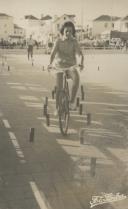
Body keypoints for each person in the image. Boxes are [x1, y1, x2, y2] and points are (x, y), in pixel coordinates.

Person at [48, 21, 84, 111]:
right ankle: (58, 107)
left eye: (70, 31)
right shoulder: (58, 41)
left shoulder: (74, 41)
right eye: (66, 31)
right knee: (59, 88)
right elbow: (52, 54)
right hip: (59, 66)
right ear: (62, 31)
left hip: (71, 66)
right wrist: (50, 64)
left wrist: (81, 63)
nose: (68, 33)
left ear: (73, 32)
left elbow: (79, 54)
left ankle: (71, 102)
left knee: (76, 79)